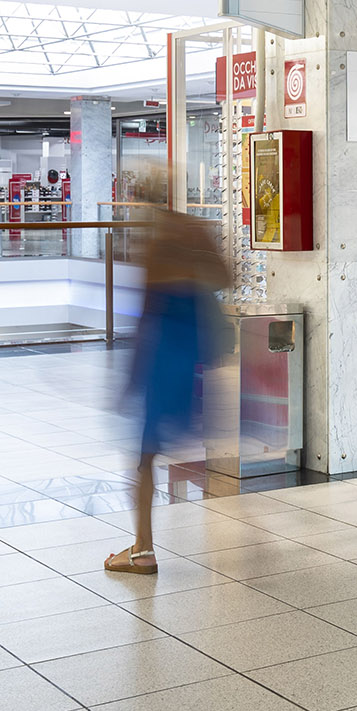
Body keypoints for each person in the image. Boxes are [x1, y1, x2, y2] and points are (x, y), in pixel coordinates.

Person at [106, 196, 230, 575]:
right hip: (191, 357)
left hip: (161, 360)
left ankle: (143, 549)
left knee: (144, 457)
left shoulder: (159, 245)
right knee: (159, 449)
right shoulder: (194, 233)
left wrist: (129, 380)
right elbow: (225, 278)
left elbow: (147, 312)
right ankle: (143, 546)